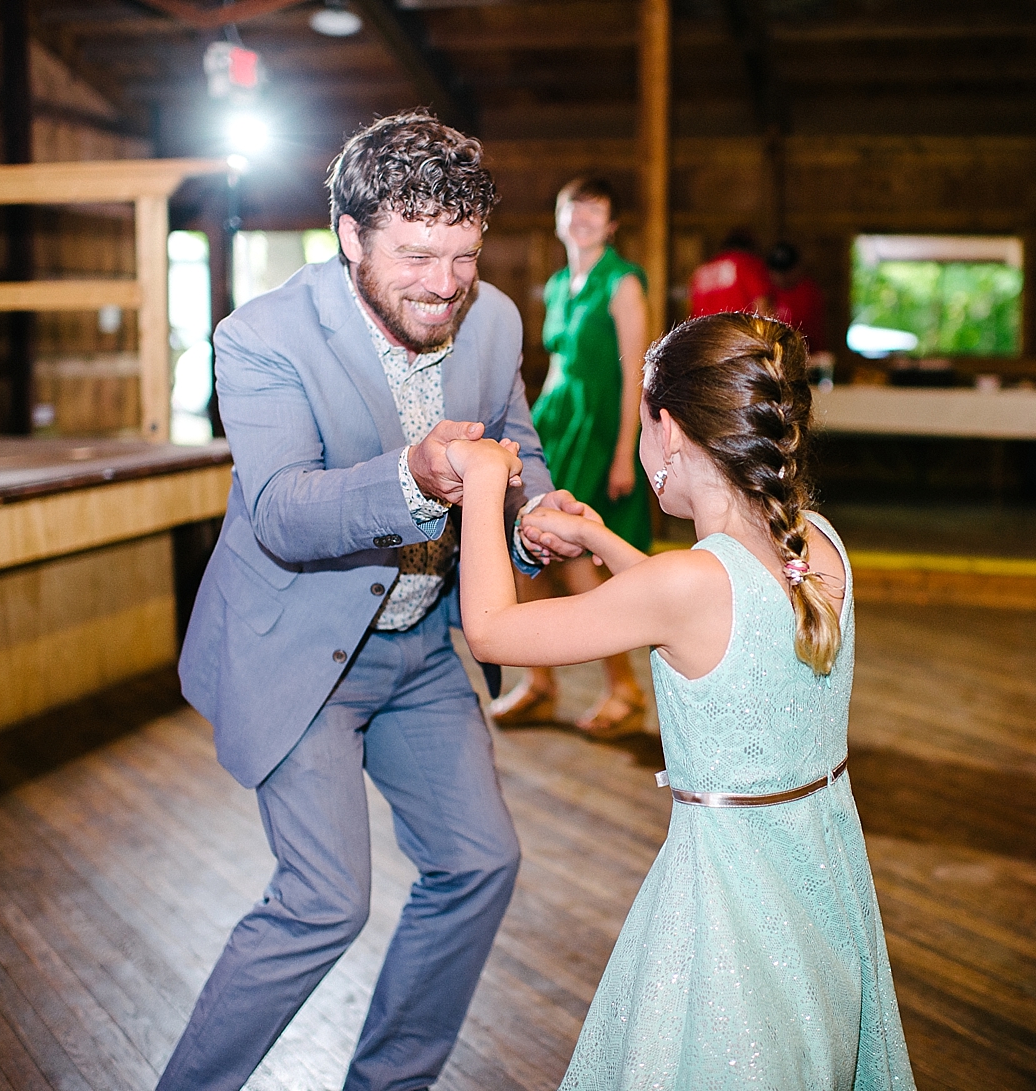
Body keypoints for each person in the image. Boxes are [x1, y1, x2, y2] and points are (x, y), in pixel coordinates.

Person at [160, 111, 591, 1091]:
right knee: (323, 900)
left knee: (478, 863)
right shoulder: (260, 335)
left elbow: (517, 444)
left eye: (464, 255)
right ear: (349, 237)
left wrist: (531, 510)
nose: (444, 282)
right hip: (303, 652)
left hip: (426, 647)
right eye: (415, 253)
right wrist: (410, 472)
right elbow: (280, 511)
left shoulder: (497, 318)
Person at [451, 313, 916, 1089]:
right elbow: (709, 616)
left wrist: (483, 482)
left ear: (667, 431)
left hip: (731, 906)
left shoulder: (686, 585)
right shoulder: (816, 544)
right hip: (821, 881)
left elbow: (494, 632)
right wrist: (602, 542)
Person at [488, 176, 651, 738]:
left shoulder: (623, 283)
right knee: (524, 539)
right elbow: (556, 363)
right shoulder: (559, 284)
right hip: (556, 420)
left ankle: (623, 689)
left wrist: (626, 453)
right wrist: (529, 426)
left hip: (602, 427)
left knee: (582, 554)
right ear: (559, 218)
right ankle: (538, 682)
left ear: (611, 224)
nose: (582, 218)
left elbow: (637, 372)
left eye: (595, 209)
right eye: (572, 208)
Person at [686, 228, 773, 318]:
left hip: (704, 331)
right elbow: (763, 307)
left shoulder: (702, 271)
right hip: (737, 330)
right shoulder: (749, 263)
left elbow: (692, 312)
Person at [766, 240, 829, 353]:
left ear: (798, 268)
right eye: (777, 270)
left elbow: (812, 333)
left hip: (806, 355)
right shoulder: (764, 291)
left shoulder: (809, 292)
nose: (781, 276)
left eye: (786, 271)